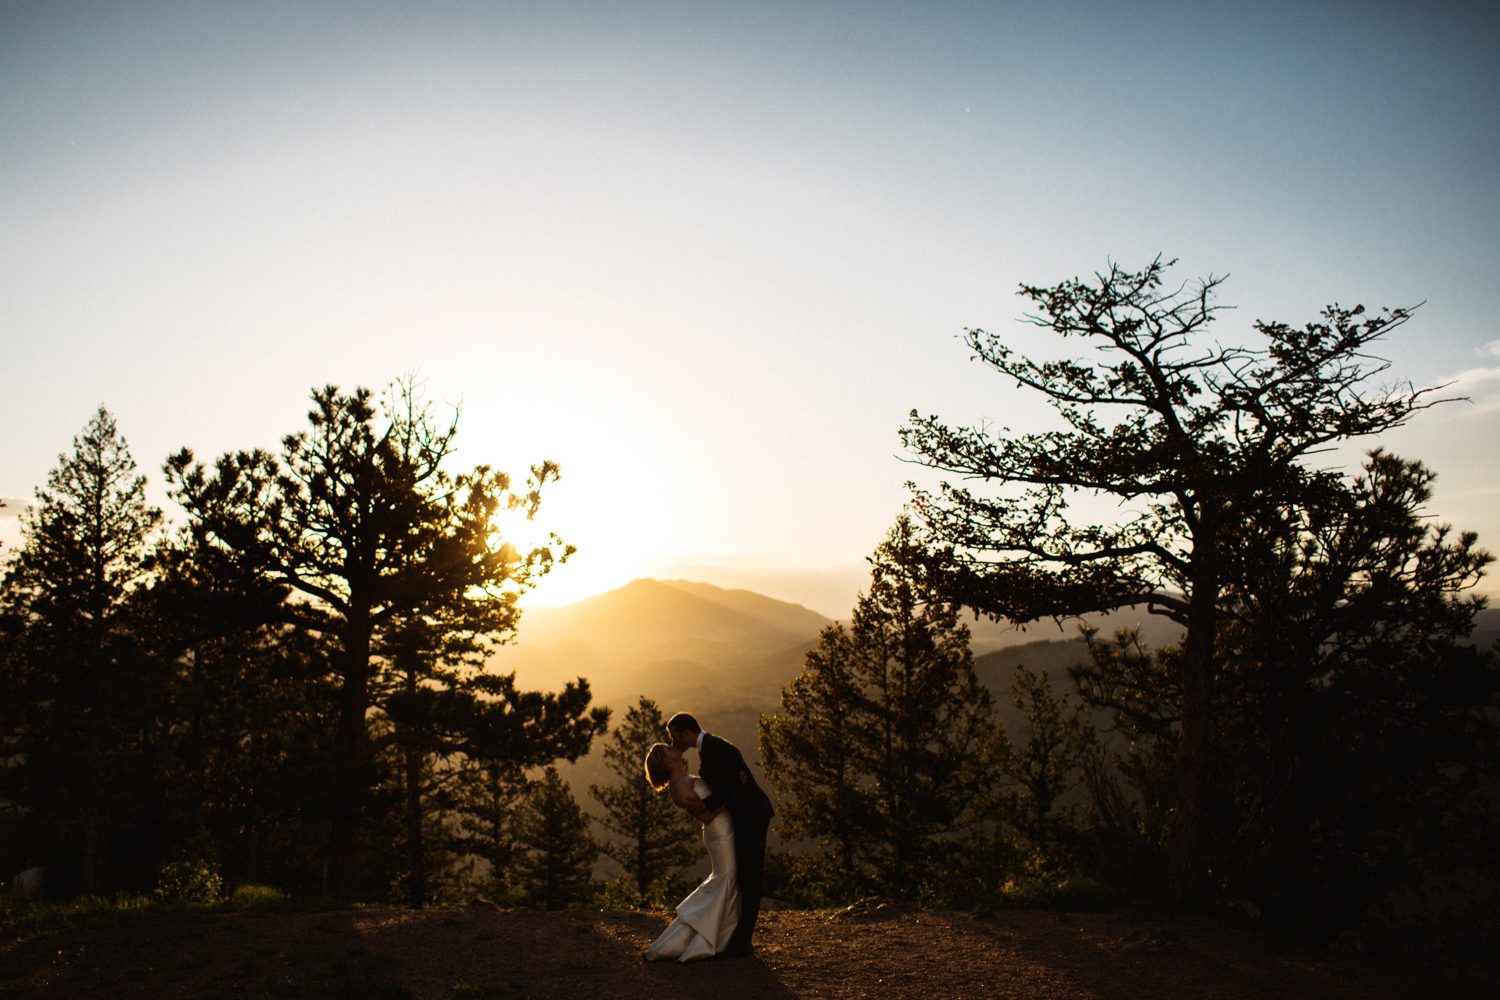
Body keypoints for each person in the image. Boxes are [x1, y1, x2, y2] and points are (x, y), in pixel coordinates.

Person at [667, 712, 773, 959]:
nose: (674, 743)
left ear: (687, 733)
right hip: (743, 817)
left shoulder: (716, 749)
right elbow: (731, 785)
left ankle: (742, 940)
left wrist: (705, 808)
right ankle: (738, 937)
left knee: (750, 875)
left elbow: (733, 788)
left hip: (752, 816)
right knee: (744, 875)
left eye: (675, 737)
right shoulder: (711, 749)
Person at [641, 742, 740, 962]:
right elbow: (705, 816)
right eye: (668, 748)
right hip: (718, 831)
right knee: (726, 878)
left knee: (727, 879)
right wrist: (729, 796)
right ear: (667, 760)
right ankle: (706, 940)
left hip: (722, 829)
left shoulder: (683, 780)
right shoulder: (679, 786)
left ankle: (717, 935)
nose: (672, 746)